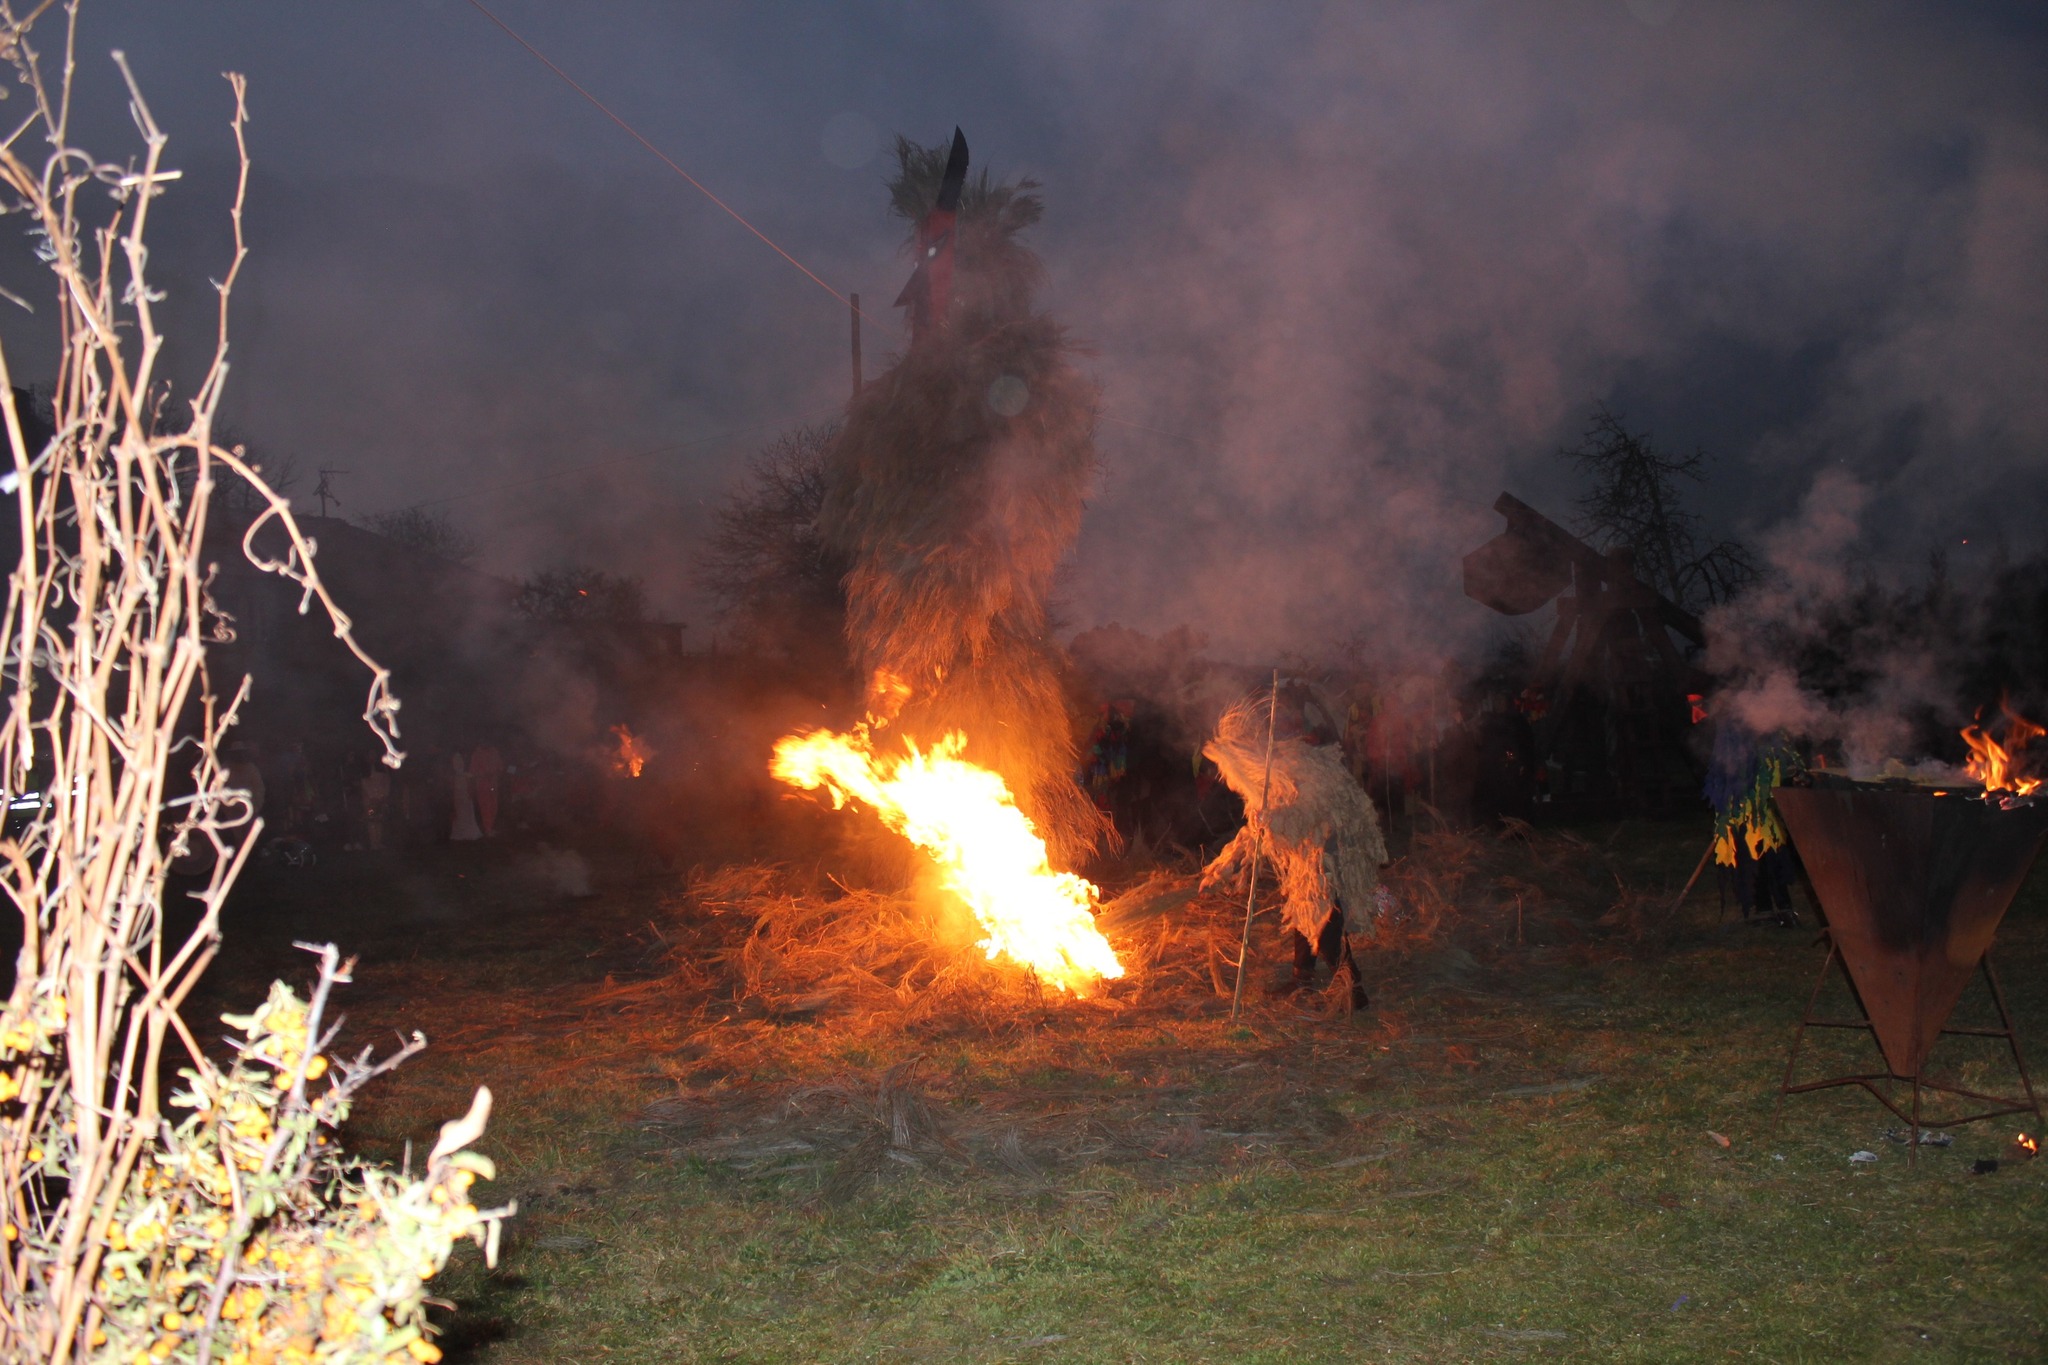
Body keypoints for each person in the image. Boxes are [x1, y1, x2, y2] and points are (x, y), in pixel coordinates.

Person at [469, 741, 505, 837]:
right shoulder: (476, 754)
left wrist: (495, 774)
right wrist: (484, 775)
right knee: (485, 807)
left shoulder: (495, 752)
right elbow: (473, 771)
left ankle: (490, 827)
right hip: (482, 785)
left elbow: (500, 767)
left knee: (494, 806)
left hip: (493, 784)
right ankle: (487, 829)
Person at [448, 751, 482, 842]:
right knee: (459, 817)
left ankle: (469, 833)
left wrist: (471, 796)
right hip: (457, 799)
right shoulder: (453, 777)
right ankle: (460, 834)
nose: (458, 764)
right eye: (456, 762)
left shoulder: (468, 776)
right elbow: (452, 790)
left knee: (468, 816)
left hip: (466, 799)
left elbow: (471, 789)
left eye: (459, 762)